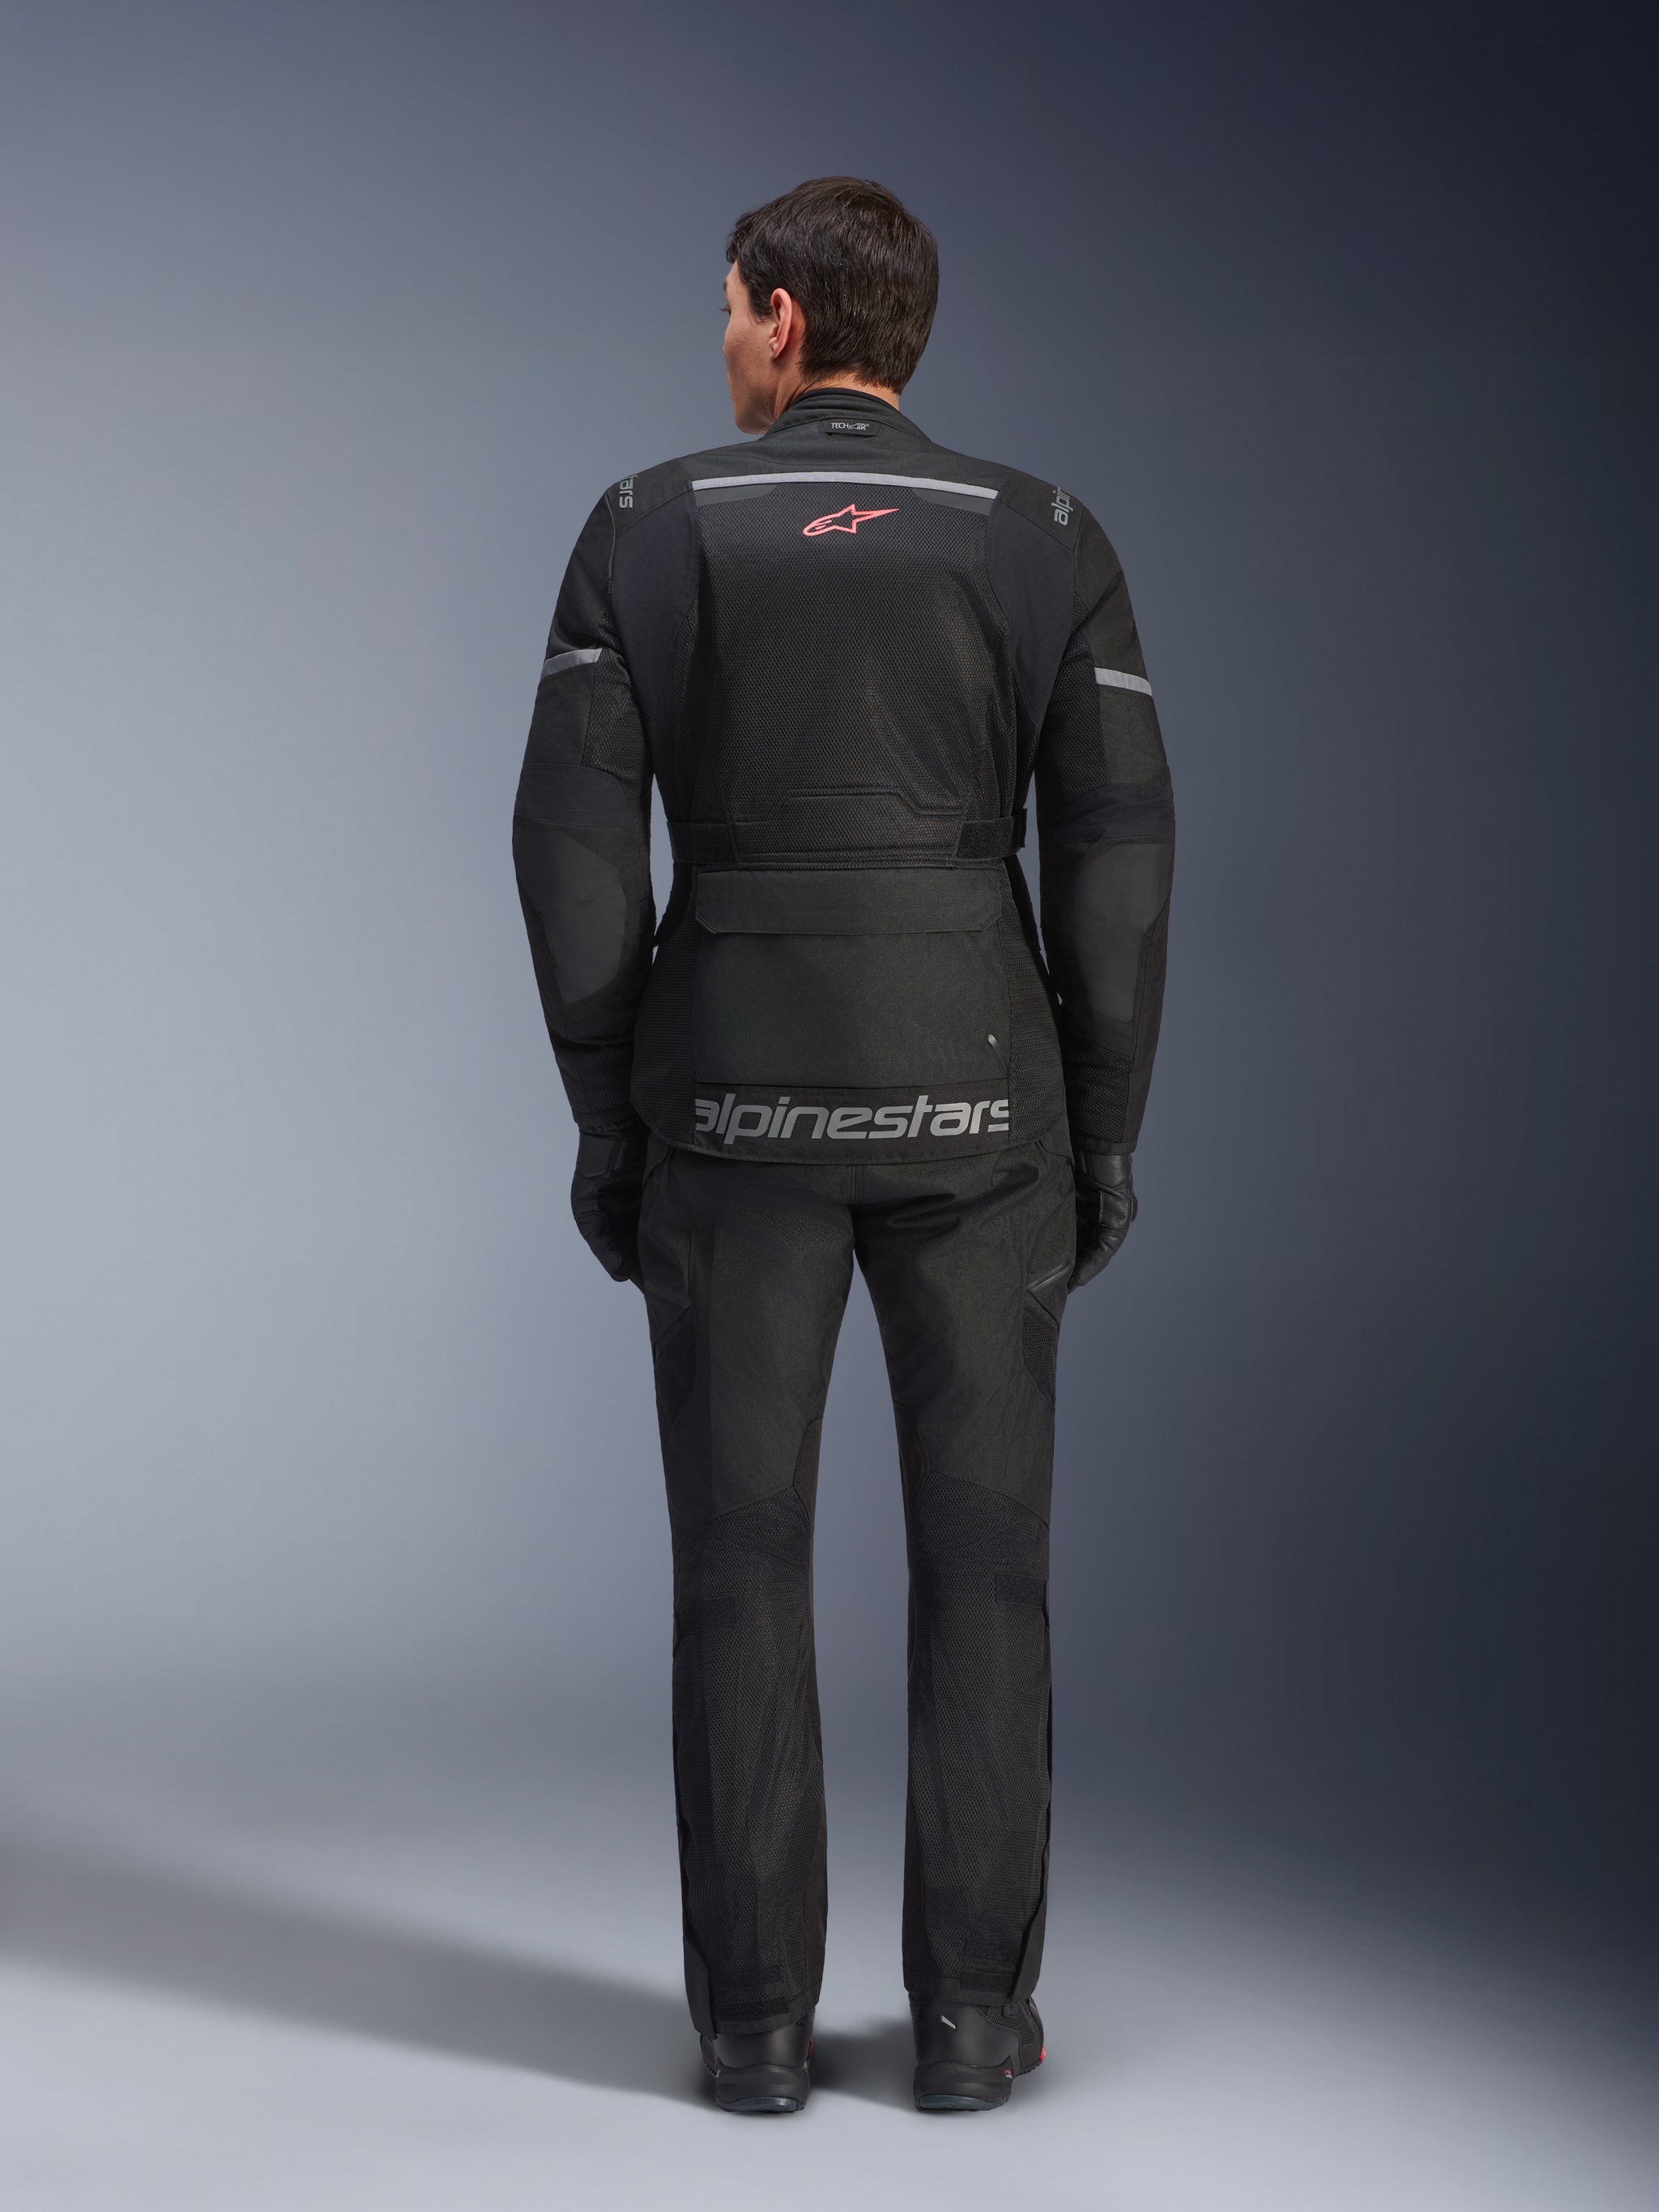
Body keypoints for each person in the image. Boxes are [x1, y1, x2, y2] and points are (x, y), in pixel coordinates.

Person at [512, 177, 1174, 2114]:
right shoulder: (1044, 537)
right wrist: (1105, 1132)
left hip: (726, 1110)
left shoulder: (646, 528)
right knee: (989, 1570)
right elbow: (1118, 856)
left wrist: (608, 1115)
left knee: (736, 1562)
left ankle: (752, 2030)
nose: (722, 339)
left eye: (729, 309)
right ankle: (969, 2021)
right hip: (982, 1108)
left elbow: (568, 848)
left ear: (786, 320)